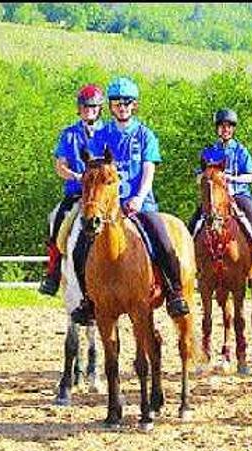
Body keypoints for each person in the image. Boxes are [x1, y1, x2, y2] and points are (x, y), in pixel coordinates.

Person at [69, 76, 190, 325]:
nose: (122, 107)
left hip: (139, 205)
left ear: (134, 105)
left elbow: (148, 170)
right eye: (117, 103)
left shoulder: (145, 135)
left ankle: (174, 292)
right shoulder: (101, 135)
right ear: (110, 106)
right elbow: (93, 168)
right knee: (80, 247)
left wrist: (139, 197)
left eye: (127, 102)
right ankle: (88, 299)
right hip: (106, 209)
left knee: (163, 241)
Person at [38, 84, 106, 296]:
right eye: (85, 107)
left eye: (93, 107)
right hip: (77, 193)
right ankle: (53, 273)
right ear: (80, 109)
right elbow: (60, 166)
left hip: (102, 195)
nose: (89, 111)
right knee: (56, 220)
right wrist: (77, 176)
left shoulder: (108, 133)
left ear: (99, 109)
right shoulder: (68, 134)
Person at [186, 108, 252, 249]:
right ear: (217, 129)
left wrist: (232, 179)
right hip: (215, 196)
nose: (225, 129)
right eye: (222, 126)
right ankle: (189, 250)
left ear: (233, 129)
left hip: (238, 195)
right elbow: (199, 175)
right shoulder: (209, 152)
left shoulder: (240, 150)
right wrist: (205, 178)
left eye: (229, 126)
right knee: (195, 219)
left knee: (251, 214)